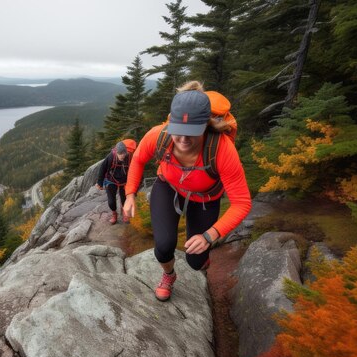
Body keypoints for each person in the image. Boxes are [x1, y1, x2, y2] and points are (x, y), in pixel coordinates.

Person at [123, 82, 251, 301]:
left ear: (205, 126)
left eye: (191, 132)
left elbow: (242, 202)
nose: (182, 140)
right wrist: (130, 194)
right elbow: (138, 158)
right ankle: (168, 275)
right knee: (163, 247)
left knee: (196, 261)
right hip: (169, 187)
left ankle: (202, 261)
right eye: (177, 131)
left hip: (205, 198)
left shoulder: (221, 149)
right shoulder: (159, 135)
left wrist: (210, 235)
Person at [96, 139, 137, 224]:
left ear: (126, 152)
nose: (122, 156)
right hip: (111, 179)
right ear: (116, 152)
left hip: (124, 180)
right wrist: (100, 183)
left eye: (124, 153)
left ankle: (125, 213)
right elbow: (102, 168)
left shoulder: (129, 157)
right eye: (120, 154)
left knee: (124, 199)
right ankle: (114, 214)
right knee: (111, 201)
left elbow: (135, 170)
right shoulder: (111, 157)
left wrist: (135, 186)